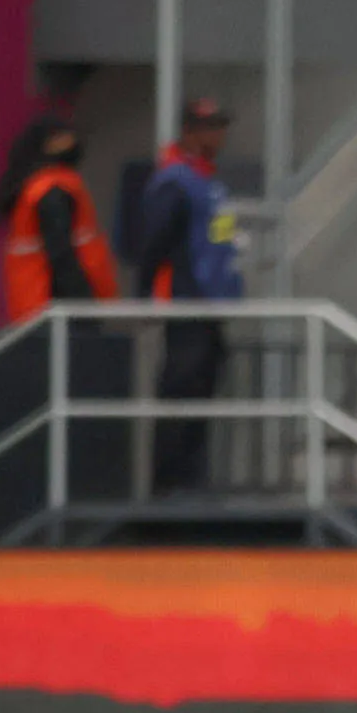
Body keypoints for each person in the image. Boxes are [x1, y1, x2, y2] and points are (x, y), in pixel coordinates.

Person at [136, 98, 243, 493]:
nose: (220, 135)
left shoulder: (207, 181)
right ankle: (169, 483)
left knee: (203, 389)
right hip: (188, 301)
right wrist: (145, 295)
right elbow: (154, 243)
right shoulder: (175, 182)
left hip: (211, 304)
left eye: (221, 127)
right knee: (182, 389)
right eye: (211, 128)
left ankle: (192, 479)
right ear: (190, 132)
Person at [0, 116, 116, 323]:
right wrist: (83, 303)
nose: (72, 140)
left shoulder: (39, 186)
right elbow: (60, 253)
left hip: (37, 302)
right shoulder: (52, 189)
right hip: (54, 304)